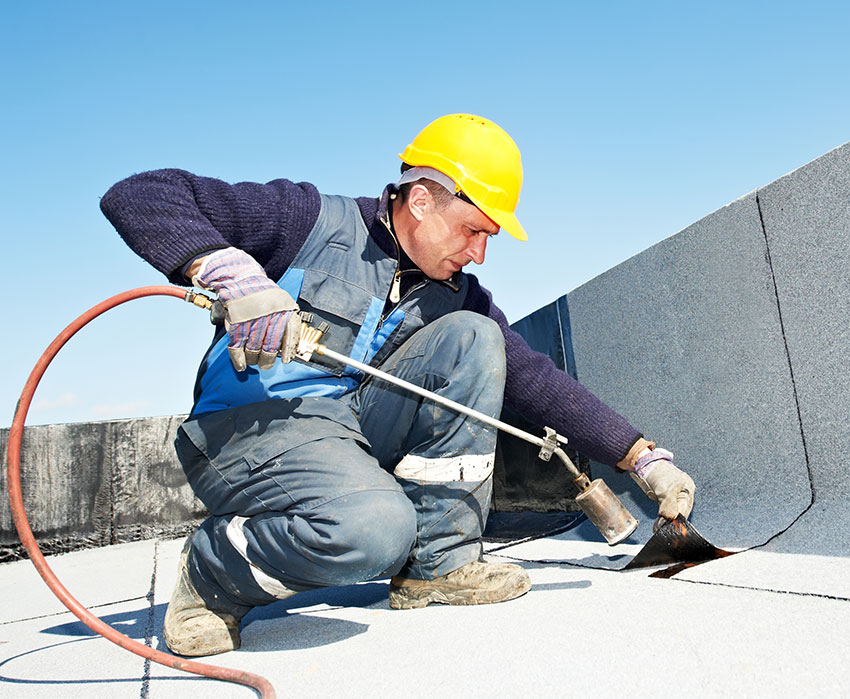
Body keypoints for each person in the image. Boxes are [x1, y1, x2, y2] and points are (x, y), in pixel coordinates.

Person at [101, 113, 696, 657]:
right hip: (248, 427)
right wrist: (228, 271)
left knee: (475, 337)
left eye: (488, 238)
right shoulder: (308, 220)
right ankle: (212, 571)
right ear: (421, 200)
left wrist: (640, 458)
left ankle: (437, 565)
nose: (479, 254)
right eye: (472, 230)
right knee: (375, 533)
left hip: (346, 429)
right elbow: (140, 194)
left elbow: (536, 381)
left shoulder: (455, 294)